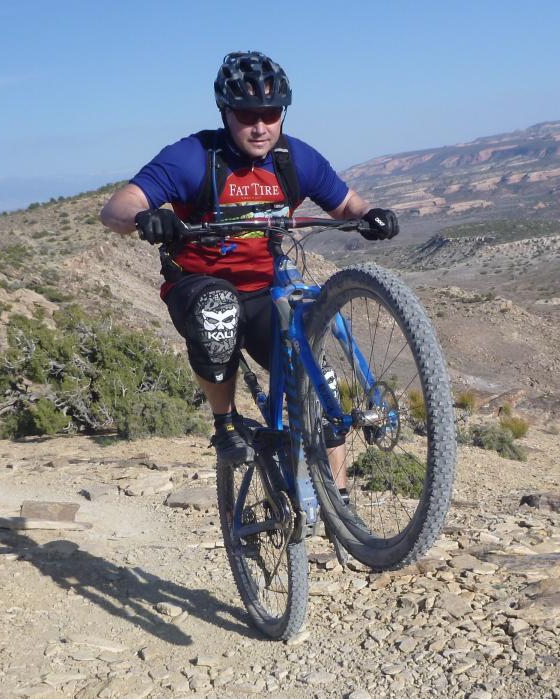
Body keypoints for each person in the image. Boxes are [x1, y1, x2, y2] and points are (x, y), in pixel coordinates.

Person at [100, 50, 398, 468]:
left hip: (264, 291)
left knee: (319, 388)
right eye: (246, 115)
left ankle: (341, 514)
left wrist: (370, 216)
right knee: (216, 311)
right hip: (199, 283)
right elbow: (115, 209)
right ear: (225, 112)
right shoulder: (194, 157)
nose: (260, 127)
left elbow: (345, 203)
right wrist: (147, 217)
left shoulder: (294, 159)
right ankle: (225, 424)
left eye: (271, 113)